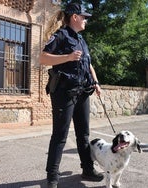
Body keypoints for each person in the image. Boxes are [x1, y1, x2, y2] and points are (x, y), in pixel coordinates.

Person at [39, 2, 103, 188]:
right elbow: (43, 58)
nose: (86, 21)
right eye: (84, 17)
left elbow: (88, 63)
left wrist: (96, 82)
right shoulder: (61, 35)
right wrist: (67, 57)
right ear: (74, 17)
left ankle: (88, 169)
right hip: (64, 93)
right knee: (60, 135)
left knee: (83, 134)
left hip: (83, 92)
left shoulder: (82, 40)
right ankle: (52, 177)